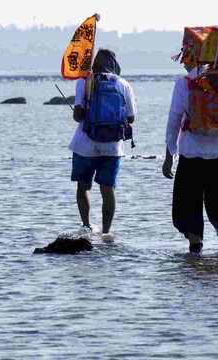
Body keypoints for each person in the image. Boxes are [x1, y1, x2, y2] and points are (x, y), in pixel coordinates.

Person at [162, 61, 218, 254]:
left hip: (191, 152)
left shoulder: (185, 83)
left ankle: (195, 245)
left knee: (188, 201)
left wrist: (169, 154)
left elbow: (174, 118)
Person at [69, 49, 137, 242]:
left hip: (85, 144)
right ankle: (106, 232)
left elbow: (77, 116)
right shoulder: (123, 84)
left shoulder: (84, 81)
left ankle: (86, 225)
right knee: (108, 189)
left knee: (84, 187)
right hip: (113, 146)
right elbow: (131, 117)